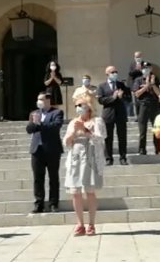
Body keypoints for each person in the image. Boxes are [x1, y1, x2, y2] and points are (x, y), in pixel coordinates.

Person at [63, 96, 106, 236]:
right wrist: (72, 134)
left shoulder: (97, 121)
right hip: (75, 157)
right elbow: (66, 141)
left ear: (89, 107)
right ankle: (80, 223)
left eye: (82, 105)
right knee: (75, 191)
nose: (79, 108)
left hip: (91, 156)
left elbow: (100, 138)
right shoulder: (73, 122)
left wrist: (85, 130)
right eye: (77, 105)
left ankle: (91, 224)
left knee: (90, 191)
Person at [26, 92, 64, 213]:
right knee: (38, 178)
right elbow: (29, 129)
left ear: (48, 100)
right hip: (37, 149)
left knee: (53, 177)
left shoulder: (56, 112)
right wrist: (34, 123)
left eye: (41, 99)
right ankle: (39, 203)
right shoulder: (34, 113)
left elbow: (55, 126)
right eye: (38, 99)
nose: (39, 101)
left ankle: (53, 203)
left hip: (52, 149)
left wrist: (40, 124)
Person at [97, 66, 131, 165]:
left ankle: (123, 157)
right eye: (112, 72)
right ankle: (108, 158)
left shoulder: (121, 85)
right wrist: (113, 98)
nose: (115, 73)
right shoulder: (102, 86)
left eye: (116, 71)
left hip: (120, 114)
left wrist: (122, 96)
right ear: (107, 73)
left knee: (122, 137)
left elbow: (128, 98)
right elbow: (101, 100)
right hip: (108, 114)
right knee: (108, 137)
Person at [132, 62, 160, 155]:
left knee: (156, 129)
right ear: (141, 70)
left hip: (154, 105)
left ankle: (158, 149)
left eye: (148, 68)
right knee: (142, 130)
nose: (146, 70)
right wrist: (146, 86)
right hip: (143, 105)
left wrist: (153, 84)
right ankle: (142, 149)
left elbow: (159, 94)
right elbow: (137, 94)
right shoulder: (138, 80)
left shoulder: (155, 79)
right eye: (144, 68)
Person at [127, 51, 144, 117]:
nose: (138, 58)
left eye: (139, 57)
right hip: (134, 86)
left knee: (142, 101)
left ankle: (142, 115)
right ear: (134, 57)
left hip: (142, 85)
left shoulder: (144, 64)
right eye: (137, 57)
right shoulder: (132, 64)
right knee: (135, 102)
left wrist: (141, 69)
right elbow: (130, 74)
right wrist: (136, 69)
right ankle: (136, 115)